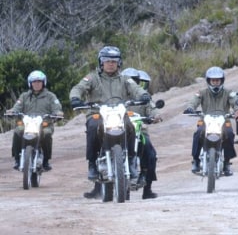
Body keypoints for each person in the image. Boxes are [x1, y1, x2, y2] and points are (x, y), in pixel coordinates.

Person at [70, 46, 150, 198]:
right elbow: (78, 87)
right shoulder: (92, 77)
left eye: (114, 61)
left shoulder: (125, 79)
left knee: (131, 126)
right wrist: (75, 98)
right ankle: (92, 164)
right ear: (101, 62)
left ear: (119, 63)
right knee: (93, 127)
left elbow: (136, 89)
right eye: (107, 61)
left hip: (119, 113)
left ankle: (132, 161)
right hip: (97, 113)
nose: (111, 64)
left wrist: (144, 95)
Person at [185, 66, 237, 176]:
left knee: (229, 134)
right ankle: (196, 160)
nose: (215, 83)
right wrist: (190, 108)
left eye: (217, 80)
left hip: (223, 120)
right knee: (198, 133)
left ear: (221, 80)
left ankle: (227, 163)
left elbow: (235, 102)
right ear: (209, 81)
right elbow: (193, 101)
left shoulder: (228, 92)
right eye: (213, 80)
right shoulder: (202, 92)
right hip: (205, 120)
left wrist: (237, 109)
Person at [8, 70, 64, 171]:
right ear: (30, 83)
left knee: (47, 134)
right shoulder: (24, 96)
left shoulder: (50, 96)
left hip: (44, 124)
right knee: (17, 131)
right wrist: (12, 111)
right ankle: (17, 159)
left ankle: (46, 160)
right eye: (34, 82)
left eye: (39, 82)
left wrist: (58, 113)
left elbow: (57, 108)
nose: (36, 84)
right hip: (27, 124)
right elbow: (17, 107)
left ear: (43, 82)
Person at [123, 68, 162, 199]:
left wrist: (156, 115)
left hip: (140, 131)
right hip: (119, 131)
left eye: (134, 81)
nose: (131, 83)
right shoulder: (116, 98)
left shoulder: (143, 97)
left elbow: (152, 108)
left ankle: (147, 188)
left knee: (151, 154)